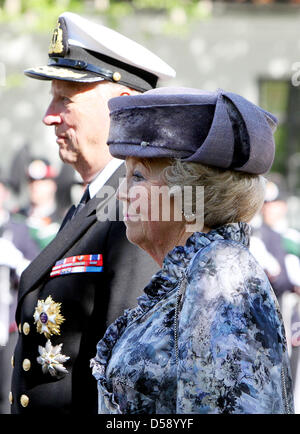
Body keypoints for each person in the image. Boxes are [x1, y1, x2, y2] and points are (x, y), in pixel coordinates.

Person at [91, 87, 295, 414]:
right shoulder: (194, 271)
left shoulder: (221, 271)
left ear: (189, 194)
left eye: (138, 177)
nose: (123, 195)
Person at [10, 11, 175, 414]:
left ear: (121, 107)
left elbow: (128, 381)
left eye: (65, 98)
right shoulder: (98, 200)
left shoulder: (138, 208)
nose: (50, 115)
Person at [18, 158, 62, 252]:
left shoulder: (63, 220)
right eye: (31, 180)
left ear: (53, 184)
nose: (35, 185)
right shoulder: (17, 217)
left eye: (42, 180)